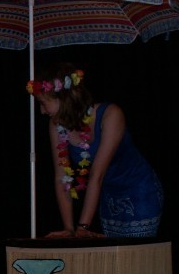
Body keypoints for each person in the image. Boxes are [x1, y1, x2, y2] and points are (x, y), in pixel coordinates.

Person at [27, 62, 164, 238]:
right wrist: (69, 229)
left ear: (64, 98)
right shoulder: (56, 125)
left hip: (139, 190)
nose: (41, 111)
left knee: (135, 252)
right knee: (112, 253)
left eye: (43, 103)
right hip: (109, 195)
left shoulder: (111, 115)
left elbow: (96, 175)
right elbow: (61, 178)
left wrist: (83, 227)